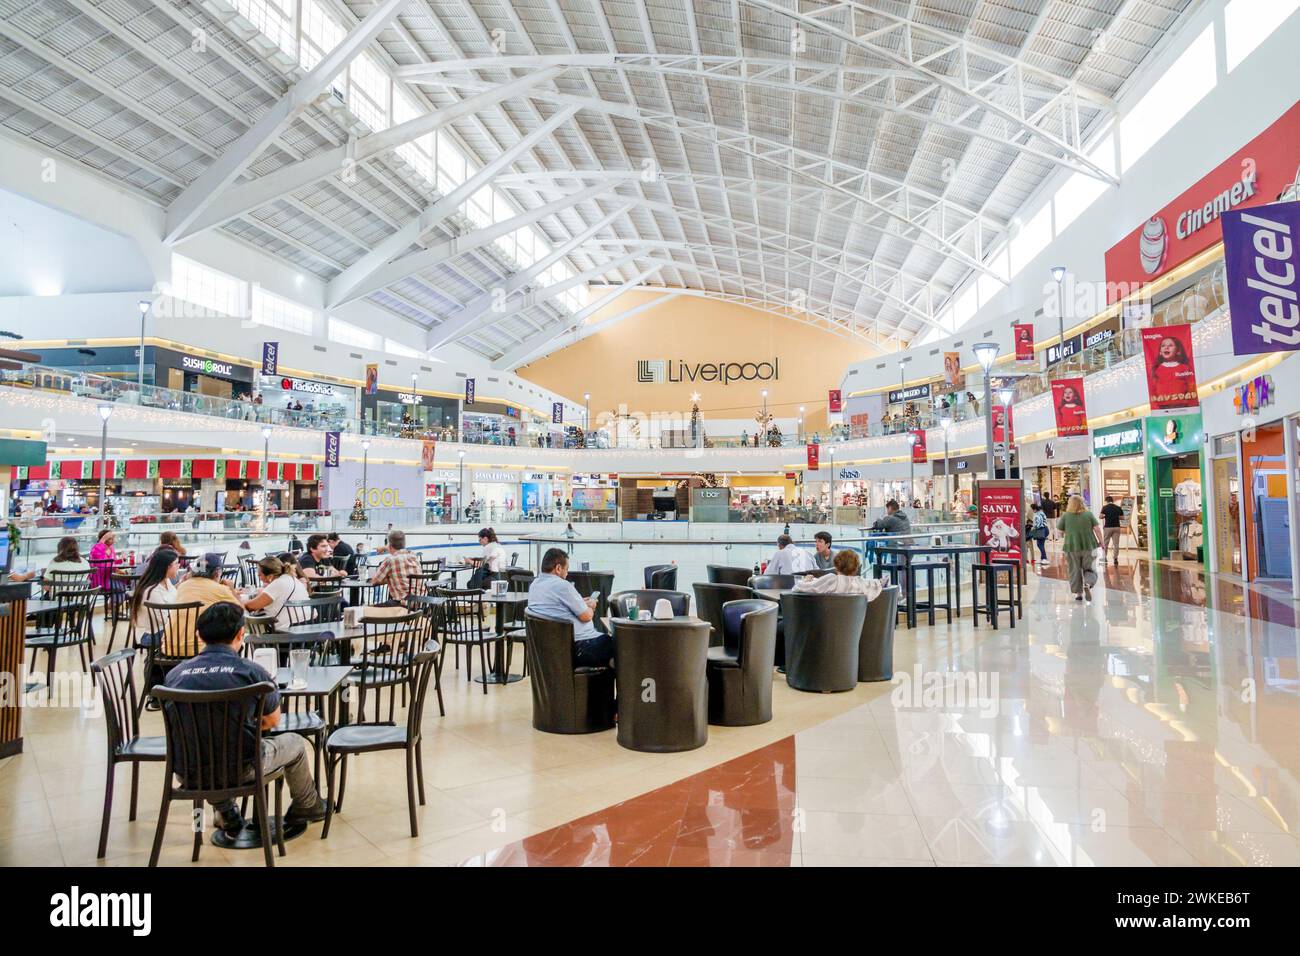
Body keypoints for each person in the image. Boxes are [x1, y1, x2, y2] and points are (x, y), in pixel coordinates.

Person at [162, 602, 327, 836]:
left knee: (208, 746)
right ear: (241, 633)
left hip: (189, 771)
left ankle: (227, 813)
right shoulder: (250, 672)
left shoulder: (175, 675)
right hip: (243, 768)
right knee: (295, 743)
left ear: (199, 635)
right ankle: (307, 805)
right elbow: (272, 721)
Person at [527, 548, 609, 667]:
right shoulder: (562, 585)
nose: (567, 573)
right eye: (566, 569)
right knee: (620, 646)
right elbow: (586, 616)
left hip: (553, 647)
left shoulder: (535, 585)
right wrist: (591, 606)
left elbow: (557, 608)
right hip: (580, 646)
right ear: (558, 568)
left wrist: (581, 602)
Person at [242, 555, 308, 630]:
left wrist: (240, 600)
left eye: (260, 574)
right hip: (308, 625)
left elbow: (251, 606)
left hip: (290, 631)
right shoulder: (291, 578)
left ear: (270, 576)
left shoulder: (277, 584)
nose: (258, 575)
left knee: (247, 619)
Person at [130, 548, 180, 646]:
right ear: (167, 567)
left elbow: (171, 597)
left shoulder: (166, 581)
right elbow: (165, 619)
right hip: (150, 634)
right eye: (176, 563)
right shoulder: (152, 591)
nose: (179, 566)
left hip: (164, 629)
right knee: (190, 634)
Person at [1057, 495, 1101, 603]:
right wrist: (1102, 542)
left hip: (1071, 547)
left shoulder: (1066, 516)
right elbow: (1097, 529)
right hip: (1089, 546)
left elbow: (1059, 532)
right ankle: (1088, 583)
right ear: (1082, 503)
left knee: (1074, 570)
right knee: (1090, 568)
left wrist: (1067, 534)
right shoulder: (1088, 514)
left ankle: (1078, 594)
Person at [174, 552, 241, 623]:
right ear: (217, 572)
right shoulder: (219, 589)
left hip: (171, 633)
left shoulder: (182, 586)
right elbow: (240, 610)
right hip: (199, 633)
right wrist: (232, 590)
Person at [793, 548, 884, 597]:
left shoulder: (830, 580)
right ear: (856, 567)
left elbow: (798, 588)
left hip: (826, 624)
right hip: (854, 627)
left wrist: (806, 580)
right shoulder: (861, 583)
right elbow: (879, 583)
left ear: (836, 566)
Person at [368, 529, 422, 604]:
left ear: (389, 545)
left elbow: (374, 581)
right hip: (420, 602)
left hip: (402, 604)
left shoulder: (390, 560)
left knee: (369, 610)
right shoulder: (413, 555)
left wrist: (389, 578)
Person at [1100, 496, 1125, 566]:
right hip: (1116, 527)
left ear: (1106, 501)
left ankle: (1104, 558)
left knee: (1105, 543)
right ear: (1112, 501)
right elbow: (1122, 518)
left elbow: (1100, 516)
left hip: (1108, 527)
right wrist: (1116, 516)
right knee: (1116, 544)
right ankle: (1115, 559)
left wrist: (1106, 516)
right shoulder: (1118, 508)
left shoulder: (1105, 507)